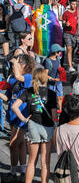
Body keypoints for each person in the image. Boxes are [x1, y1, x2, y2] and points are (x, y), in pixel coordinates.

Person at [11, 68, 54, 183]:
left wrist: (24, 119)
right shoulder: (52, 94)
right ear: (45, 79)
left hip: (33, 125)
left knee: (31, 161)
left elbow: (14, 106)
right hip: (47, 127)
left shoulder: (28, 91)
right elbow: (54, 116)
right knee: (45, 162)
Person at [4, 54, 35, 182]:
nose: (13, 66)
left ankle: (13, 172)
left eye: (17, 64)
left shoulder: (27, 77)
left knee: (13, 144)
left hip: (23, 115)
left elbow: (18, 76)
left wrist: (14, 60)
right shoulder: (12, 78)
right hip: (13, 116)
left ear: (24, 65)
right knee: (21, 144)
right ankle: (22, 171)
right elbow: (8, 98)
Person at [43, 43, 65, 121]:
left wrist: (62, 73)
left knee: (60, 97)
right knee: (51, 98)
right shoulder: (48, 61)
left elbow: (59, 68)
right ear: (56, 52)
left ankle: (61, 111)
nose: (60, 53)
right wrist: (52, 79)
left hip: (59, 82)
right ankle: (51, 113)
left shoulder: (58, 59)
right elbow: (45, 74)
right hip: (51, 83)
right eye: (59, 51)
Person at [61, 0, 79, 72]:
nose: (74, 6)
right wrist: (65, 24)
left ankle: (70, 60)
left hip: (75, 33)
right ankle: (70, 66)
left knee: (74, 48)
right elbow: (63, 22)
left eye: (75, 4)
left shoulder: (77, 12)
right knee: (69, 48)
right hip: (67, 33)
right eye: (72, 4)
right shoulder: (66, 13)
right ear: (70, 4)